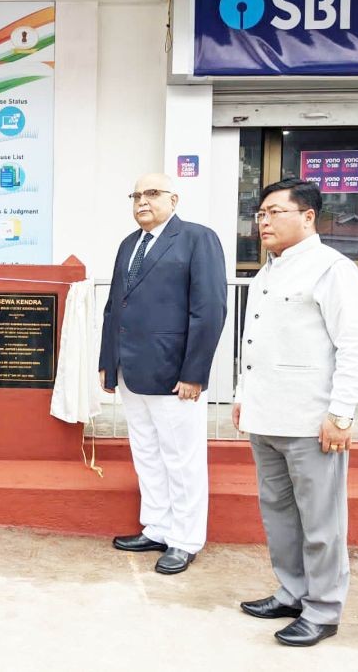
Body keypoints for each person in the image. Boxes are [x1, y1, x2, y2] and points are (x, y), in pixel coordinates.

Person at [232, 178, 358, 646]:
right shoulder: (268, 271)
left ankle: (324, 608)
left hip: (311, 418)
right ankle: (292, 591)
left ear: (308, 216)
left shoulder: (333, 269)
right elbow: (254, 341)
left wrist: (342, 412)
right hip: (266, 413)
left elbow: (354, 346)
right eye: (261, 214)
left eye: (275, 212)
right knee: (278, 514)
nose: (264, 222)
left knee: (321, 521)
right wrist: (241, 393)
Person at [99, 173, 227, 575]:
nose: (141, 201)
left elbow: (209, 311)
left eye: (151, 193)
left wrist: (195, 372)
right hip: (131, 370)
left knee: (181, 458)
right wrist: (108, 362)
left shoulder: (196, 239)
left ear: (174, 198)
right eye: (135, 194)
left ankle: (185, 539)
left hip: (175, 373)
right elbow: (112, 307)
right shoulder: (128, 244)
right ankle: (156, 527)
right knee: (147, 454)